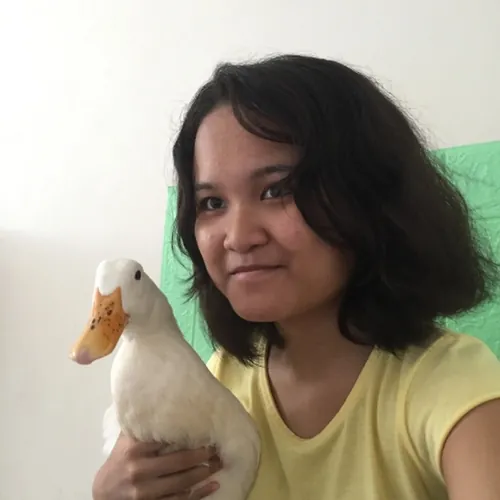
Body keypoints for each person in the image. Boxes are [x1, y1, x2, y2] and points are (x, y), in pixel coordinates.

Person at [92, 54, 500, 500]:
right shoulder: (220, 381)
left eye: (276, 190)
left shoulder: (452, 385)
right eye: (212, 203)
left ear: (368, 197)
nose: (238, 237)